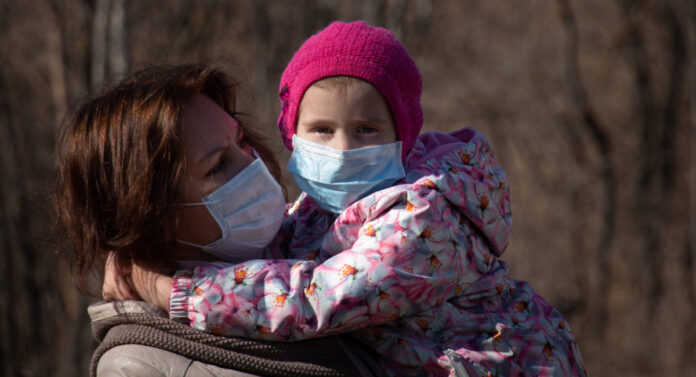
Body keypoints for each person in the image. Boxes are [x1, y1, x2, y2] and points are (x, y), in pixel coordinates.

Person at [108, 22, 587, 376]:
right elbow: (276, 261)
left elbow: (319, 297)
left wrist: (180, 292)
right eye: (321, 130)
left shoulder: (421, 217)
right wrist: (142, 254)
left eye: (365, 130)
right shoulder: (316, 210)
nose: (342, 150)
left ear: (403, 133)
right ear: (291, 133)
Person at [56, 64, 384, 377]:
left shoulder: (307, 240)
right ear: (150, 217)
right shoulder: (138, 365)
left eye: (241, 141)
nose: (252, 163)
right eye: (216, 165)